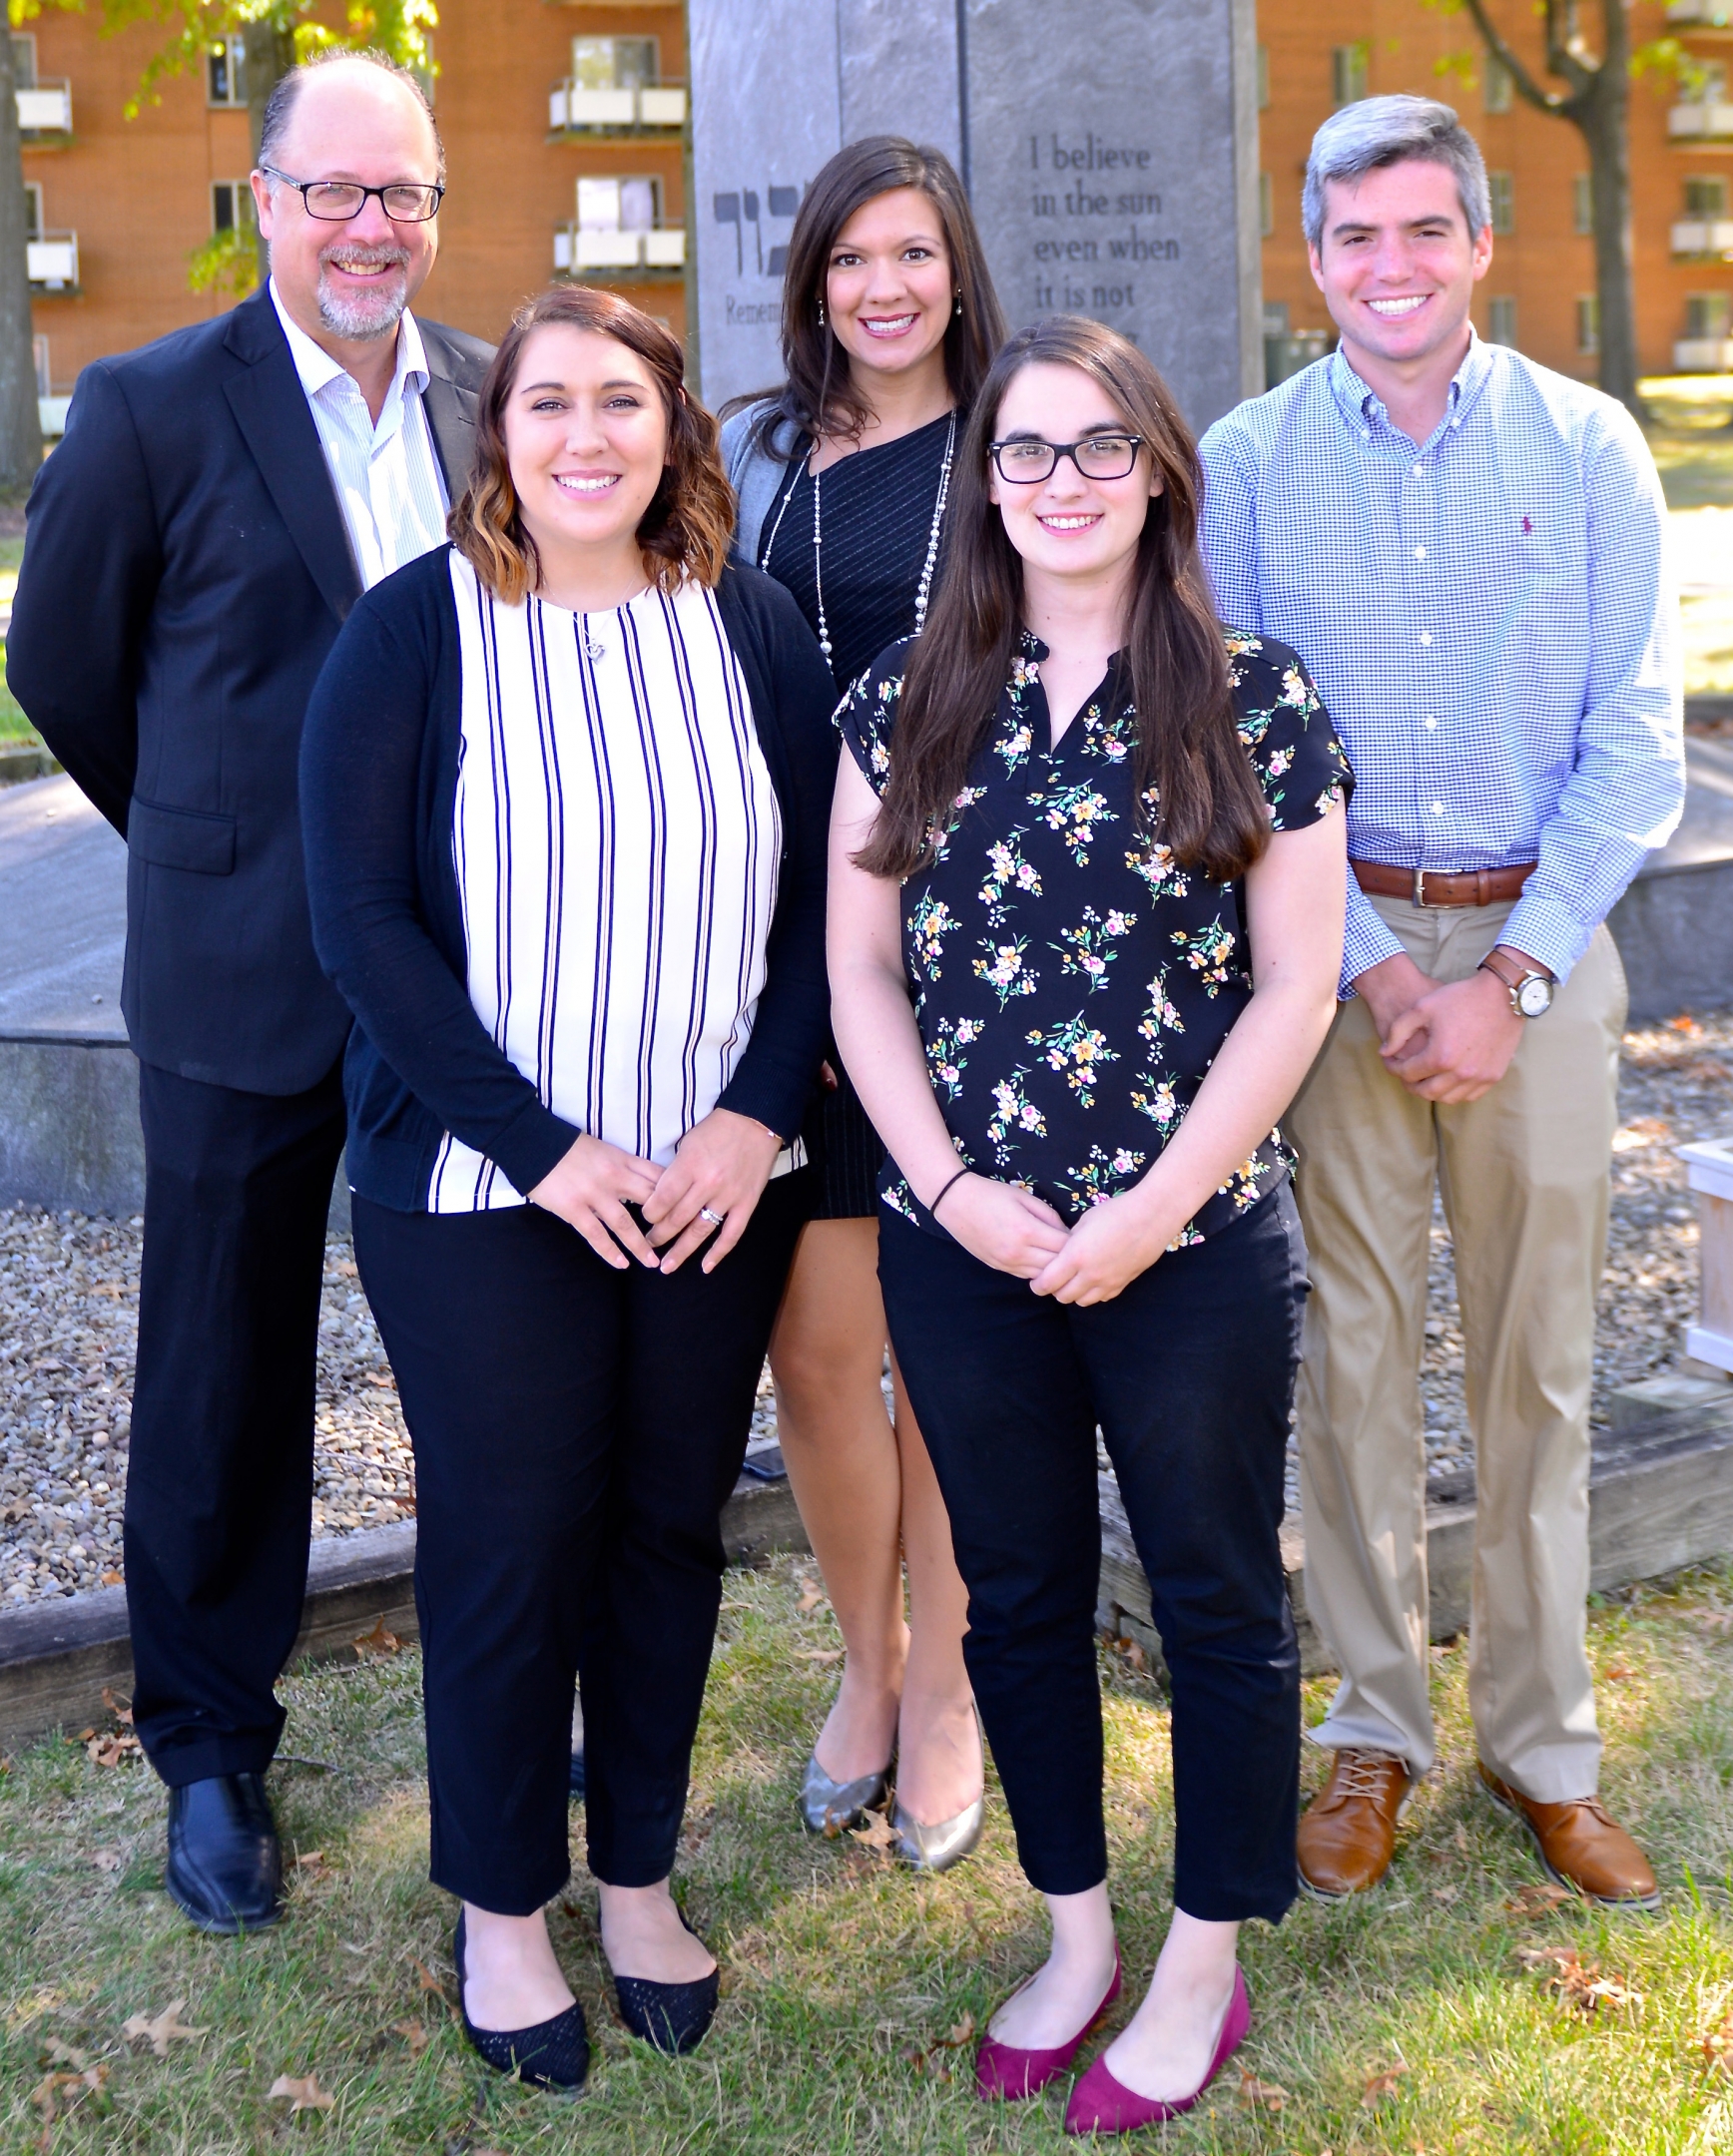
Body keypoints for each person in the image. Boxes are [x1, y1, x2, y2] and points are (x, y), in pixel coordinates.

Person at [300, 284, 835, 2091]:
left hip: (706, 1185)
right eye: (548, 403)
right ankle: (504, 1909)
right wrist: (547, 1148)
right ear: (499, 435)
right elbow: (362, 926)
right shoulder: (411, 636)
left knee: (667, 1530)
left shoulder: (753, 631)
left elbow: (820, 923)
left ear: (673, 429)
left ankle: (637, 1880)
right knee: (515, 1540)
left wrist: (756, 1124)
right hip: (479, 1189)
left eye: (623, 400)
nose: (585, 434)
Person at [829, 314, 1351, 2134]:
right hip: (959, 1243)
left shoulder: (1258, 696)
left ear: (1159, 473)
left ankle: (1201, 1961)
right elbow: (861, 974)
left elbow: (1294, 994)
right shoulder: (903, 694)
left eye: (1099, 449)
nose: (1063, 484)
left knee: (1213, 1593)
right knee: (1021, 1595)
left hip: (1188, 1245)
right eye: (1028, 451)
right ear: (984, 482)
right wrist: (956, 1190)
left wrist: (1148, 1208)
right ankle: (1076, 1934)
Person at [6, 50, 492, 1936]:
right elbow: (66, 668)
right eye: (336, 192)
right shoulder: (145, 408)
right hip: (243, 975)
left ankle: (518, 1705)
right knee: (221, 1372)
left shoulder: (486, 399)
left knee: (492, 1346)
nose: (374, 227)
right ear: (266, 202)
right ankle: (211, 1744)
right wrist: (216, 841)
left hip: (472, 972)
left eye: (406, 194)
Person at [1199, 95, 1684, 1909]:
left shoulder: (1590, 443)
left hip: (1539, 947)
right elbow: (1236, 729)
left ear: (1478, 243)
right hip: (1330, 962)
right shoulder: (1247, 458)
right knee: (1353, 1357)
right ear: (1312, 258)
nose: (1388, 268)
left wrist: (1519, 975)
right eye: (1352, 239)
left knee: (1537, 1369)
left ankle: (1545, 1748)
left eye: (1423, 232)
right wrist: (1377, 969)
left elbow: (1637, 742)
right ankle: (1375, 1736)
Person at [720, 134, 1005, 1867]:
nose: (881, 288)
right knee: (821, 1359)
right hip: (784, 944)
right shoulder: (761, 452)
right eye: (848, 260)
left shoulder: (1011, 440)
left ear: (956, 269)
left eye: (909, 254)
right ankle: (869, 1666)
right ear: (814, 282)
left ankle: (959, 1687)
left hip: (965, 955)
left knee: (955, 1356)